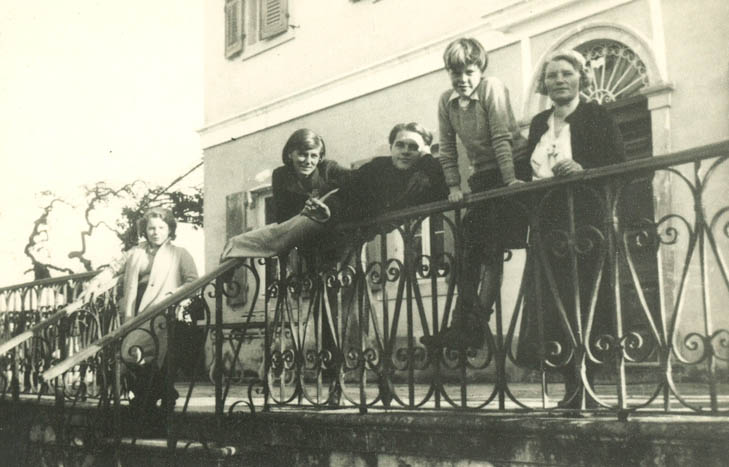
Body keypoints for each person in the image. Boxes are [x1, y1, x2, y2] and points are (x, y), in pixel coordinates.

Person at [515, 49, 626, 409]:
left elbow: (620, 165)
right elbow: (528, 164)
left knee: (586, 301)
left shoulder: (596, 115)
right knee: (553, 302)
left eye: (566, 73)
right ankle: (570, 387)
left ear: (581, 77)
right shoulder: (538, 123)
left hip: (586, 223)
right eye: (551, 76)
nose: (559, 80)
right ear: (544, 84)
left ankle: (589, 386)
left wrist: (584, 169)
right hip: (548, 225)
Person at [423, 37, 530, 350]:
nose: (462, 79)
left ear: (480, 70)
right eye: (455, 73)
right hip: (483, 177)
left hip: (512, 167)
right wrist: (455, 185)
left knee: (491, 247)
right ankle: (462, 324)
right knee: (469, 247)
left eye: (469, 71)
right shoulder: (447, 101)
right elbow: (446, 149)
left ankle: (476, 323)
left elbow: (500, 138)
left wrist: (510, 181)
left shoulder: (491, 88)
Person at [89, 207, 198, 412]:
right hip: (135, 311)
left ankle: (155, 397)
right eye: (151, 228)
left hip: (162, 312)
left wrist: (172, 296)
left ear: (169, 229)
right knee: (132, 354)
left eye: (161, 227)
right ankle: (153, 396)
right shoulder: (135, 252)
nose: (156, 232)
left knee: (144, 354)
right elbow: (112, 269)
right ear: (145, 230)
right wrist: (94, 284)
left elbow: (193, 281)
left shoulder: (180, 254)